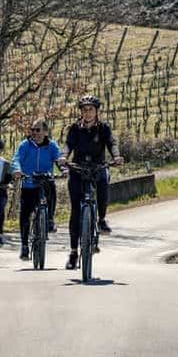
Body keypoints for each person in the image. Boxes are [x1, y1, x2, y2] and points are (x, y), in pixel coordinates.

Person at [59, 95, 123, 270]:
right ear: (81, 112)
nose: (87, 113)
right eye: (84, 110)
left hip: (97, 167)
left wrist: (116, 156)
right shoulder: (74, 128)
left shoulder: (103, 128)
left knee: (103, 180)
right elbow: (67, 145)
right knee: (75, 211)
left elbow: (112, 143)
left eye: (91, 110)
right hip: (78, 168)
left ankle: (101, 219)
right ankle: (73, 252)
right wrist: (63, 156)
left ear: (96, 112)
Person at [11, 119, 63, 261]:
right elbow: (16, 159)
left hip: (45, 181)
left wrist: (63, 169)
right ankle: (24, 246)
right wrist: (17, 170)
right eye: (33, 130)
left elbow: (59, 159)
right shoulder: (25, 145)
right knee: (25, 215)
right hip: (29, 183)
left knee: (51, 188)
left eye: (38, 130)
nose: (34, 133)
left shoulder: (51, 145)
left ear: (45, 132)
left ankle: (50, 219)